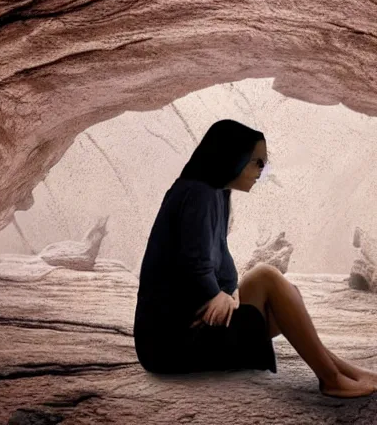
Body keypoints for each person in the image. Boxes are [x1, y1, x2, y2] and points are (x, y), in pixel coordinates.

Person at [133, 119, 377, 398]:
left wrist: (226, 294)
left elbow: (222, 261)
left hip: (199, 323)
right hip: (170, 342)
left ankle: (344, 371)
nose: (262, 172)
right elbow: (193, 262)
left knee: (287, 302)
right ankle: (332, 379)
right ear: (231, 157)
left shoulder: (217, 193)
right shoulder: (197, 193)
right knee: (267, 276)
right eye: (257, 162)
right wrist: (215, 293)